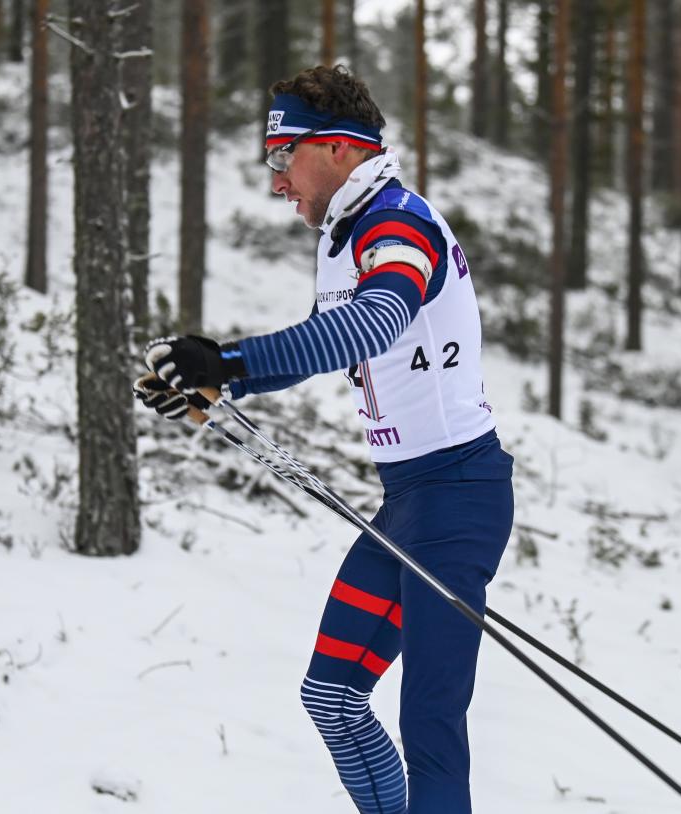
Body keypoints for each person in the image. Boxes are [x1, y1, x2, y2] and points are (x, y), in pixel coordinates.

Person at [134, 65, 514, 814]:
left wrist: (233, 359)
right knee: (332, 697)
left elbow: (375, 322)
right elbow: (330, 341)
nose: (277, 181)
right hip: (408, 502)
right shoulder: (346, 237)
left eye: (284, 158)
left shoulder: (398, 223)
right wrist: (219, 385)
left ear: (339, 149)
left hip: (459, 498)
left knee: (431, 726)